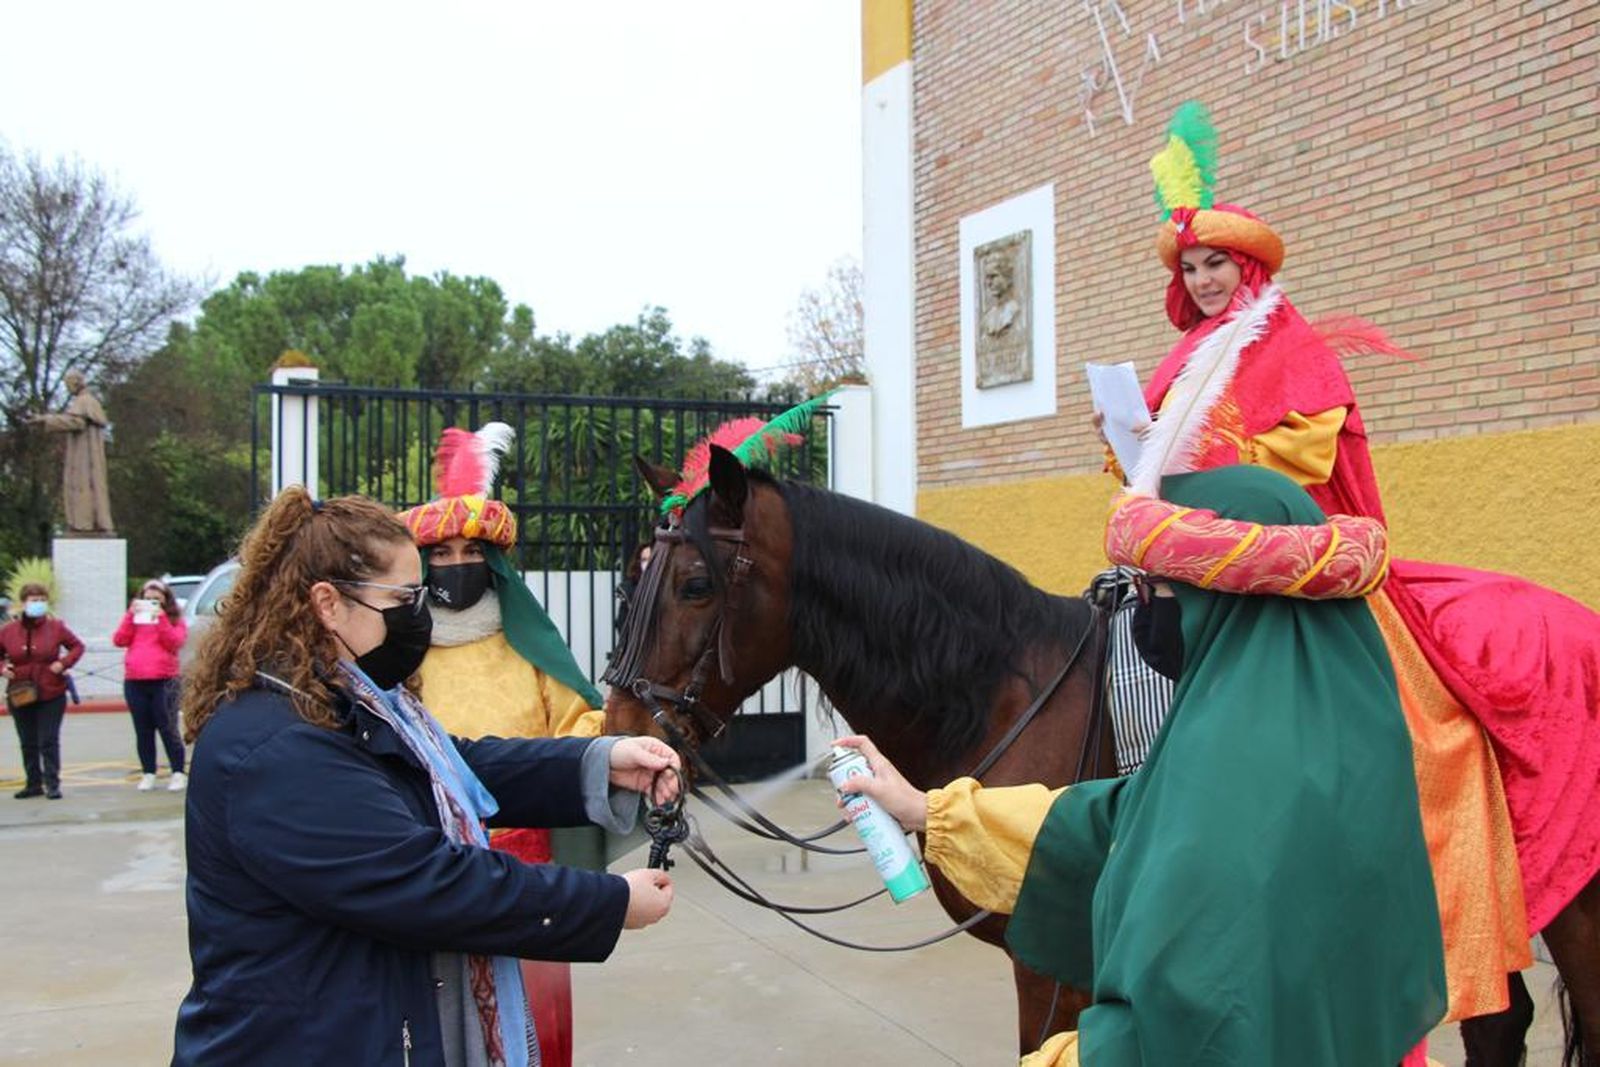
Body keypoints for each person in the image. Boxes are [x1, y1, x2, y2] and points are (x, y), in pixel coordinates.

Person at [1101, 100, 1600, 1034]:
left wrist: (1203, 460)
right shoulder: (1191, 354)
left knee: (1415, 735)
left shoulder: (1287, 346)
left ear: (1248, 268)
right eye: (1192, 268)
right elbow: (1161, 474)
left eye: (1217, 265)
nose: (1204, 281)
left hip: (1302, 567)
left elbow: (1295, 475)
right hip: (1204, 578)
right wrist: (1132, 440)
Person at [841, 466, 1446, 1067]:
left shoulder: (1240, 769)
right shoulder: (1319, 721)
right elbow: (1128, 815)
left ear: (1226, 601)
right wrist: (926, 809)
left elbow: (1194, 1023)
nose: (1141, 611)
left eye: (1154, 589)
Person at [173, 487, 678, 1066]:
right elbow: (427, 883)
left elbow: (452, 768)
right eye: (404, 597)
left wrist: (600, 762)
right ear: (328, 604)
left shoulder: (343, 702)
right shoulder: (277, 747)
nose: (420, 613)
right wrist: (610, 903)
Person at [399, 422, 611, 1067]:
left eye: (472, 551)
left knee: (534, 1022)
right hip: (428, 864)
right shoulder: (396, 653)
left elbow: (581, 724)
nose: (457, 564)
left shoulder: (528, 647)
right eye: (442, 553)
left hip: (526, 867)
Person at [0, 583, 84, 800]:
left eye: (41, 600)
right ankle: (33, 783)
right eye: (33, 600)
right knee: (27, 741)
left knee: (48, 740)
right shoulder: (8, 630)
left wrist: (63, 663)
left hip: (51, 691)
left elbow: (77, 646)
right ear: (23, 603)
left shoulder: (56, 627)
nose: (38, 603)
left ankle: (52, 783)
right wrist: (3, 668)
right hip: (20, 692)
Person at [113, 579, 188, 791]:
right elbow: (119, 640)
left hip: (164, 681)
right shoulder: (135, 619)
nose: (152, 602)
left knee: (168, 728)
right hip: (135, 681)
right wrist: (130, 615)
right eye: (147, 599)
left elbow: (175, 642)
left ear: (165, 600)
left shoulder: (174, 620)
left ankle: (178, 772)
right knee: (143, 730)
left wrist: (161, 618)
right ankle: (148, 772)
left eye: (156, 599)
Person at [27, 368, 114, 534]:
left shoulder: (84, 401)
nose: (67, 389)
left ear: (75, 383)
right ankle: (87, 522)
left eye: (68, 385)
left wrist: (47, 420)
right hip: (84, 452)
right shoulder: (88, 401)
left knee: (83, 485)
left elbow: (77, 423)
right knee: (86, 485)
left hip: (85, 456)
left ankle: (85, 523)